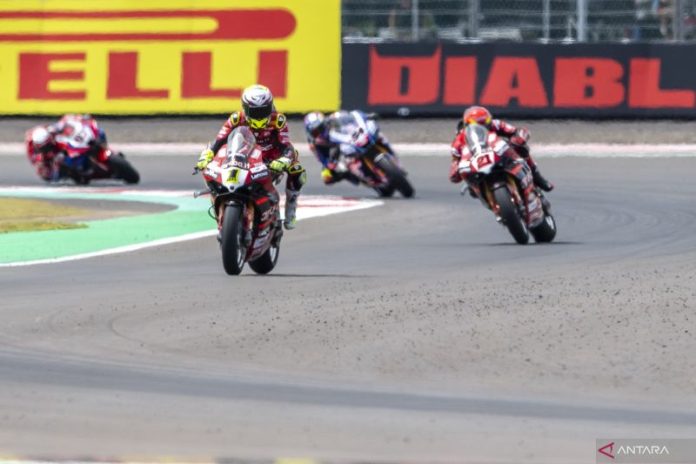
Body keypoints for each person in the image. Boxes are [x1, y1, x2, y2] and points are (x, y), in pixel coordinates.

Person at [196, 85, 306, 230]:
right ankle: (220, 205)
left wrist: (283, 160)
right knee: (212, 169)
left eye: (263, 111)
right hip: (244, 155)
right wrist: (206, 156)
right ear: (245, 109)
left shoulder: (278, 120)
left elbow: (286, 146)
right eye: (254, 112)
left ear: (270, 107)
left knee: (298, 171)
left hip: (271, 158)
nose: (259, 116)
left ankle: (291, 210)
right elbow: (218, 141)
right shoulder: (236, 118)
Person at [449, 106, 554, 192]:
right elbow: (455, 166)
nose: (483, 126)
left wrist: (517, 140)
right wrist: (456, 171)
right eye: (478, 124)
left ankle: (537, 177)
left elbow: (518, 131)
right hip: (477, 164)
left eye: (485, 122)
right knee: (470, 188)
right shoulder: (459, 140)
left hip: (499, 154)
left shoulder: (495, 124)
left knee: (522, 148)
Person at [304, 110, 396, 186]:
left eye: (320, 129)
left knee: (377, 133)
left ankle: (391, 153)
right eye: (315, 132)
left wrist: (366, 116)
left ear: (324, 123)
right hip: (338, 153)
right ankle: (362, 177)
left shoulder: (335, 117)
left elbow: (354, 115)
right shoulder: (315, 143)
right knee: (327, 177)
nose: (319, 134)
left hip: (352, 137)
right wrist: (330, 164)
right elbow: (322, 158)